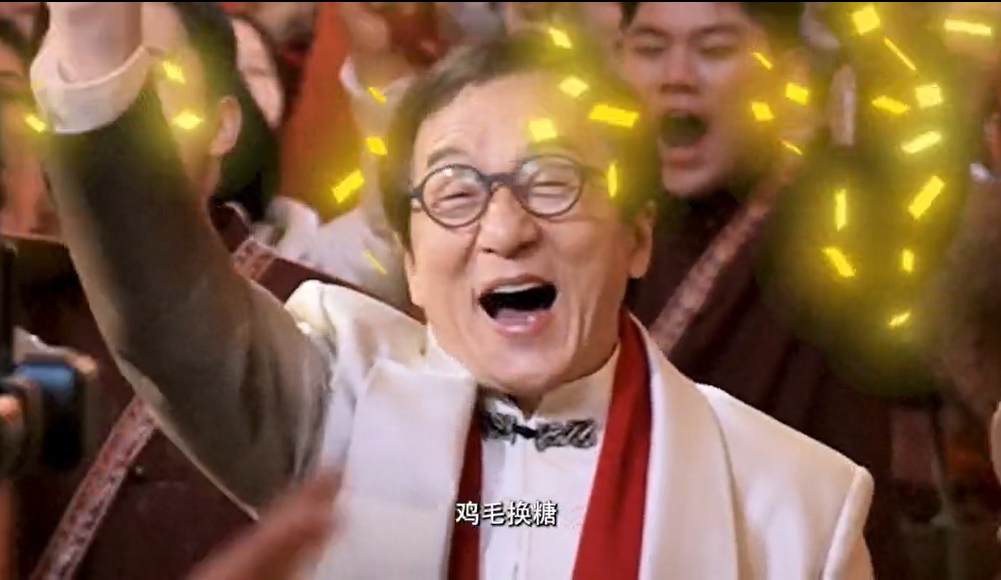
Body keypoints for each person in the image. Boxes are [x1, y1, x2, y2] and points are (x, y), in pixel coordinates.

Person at [33, 3, 874, 578]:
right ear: (407, 259)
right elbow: (164, 305)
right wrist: (92, 40)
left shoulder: (795, 500)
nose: (505, 230)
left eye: (551, 180)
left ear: (637, 236)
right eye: (455, 192)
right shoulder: (340, 402)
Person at [12, 4, 339, 579]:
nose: (114, 100)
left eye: (147, 71)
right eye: (75, 75)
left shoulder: (331, 331)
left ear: (224, 124)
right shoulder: (20, 301)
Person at [616, 3, 916, 578]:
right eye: (650, 49)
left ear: (790, 72)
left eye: (715, 49)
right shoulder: (590, 225)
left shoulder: (839, 220)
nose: (676, 76)